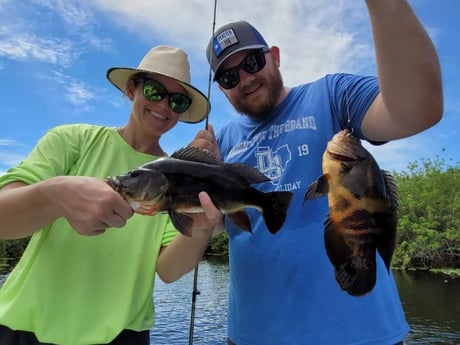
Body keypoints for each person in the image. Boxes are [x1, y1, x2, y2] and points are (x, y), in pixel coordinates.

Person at [191, 1, 443, 344]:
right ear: (221, 88)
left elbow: (418, 109)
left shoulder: (332, 95)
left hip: (362, 335)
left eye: (252, 62)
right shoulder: (222, 141)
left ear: (275, 56)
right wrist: (201, 178)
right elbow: (218, 223)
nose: (245, 79)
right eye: (229, 76)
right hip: (253, 335)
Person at [0, 45, 221, 345]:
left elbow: (169, 270)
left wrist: (202, 226)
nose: (165, 106)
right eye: (155, 91)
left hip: (123, 336)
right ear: (132, 89)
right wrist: (56, 195)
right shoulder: (72, 141)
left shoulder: (177, 180)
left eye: (178, 100)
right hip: (24, 330)